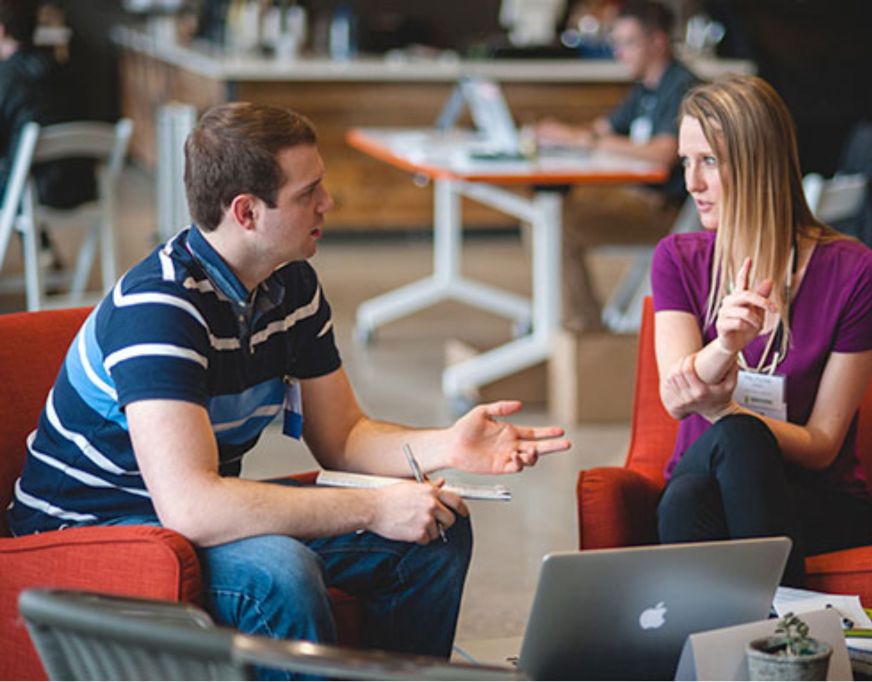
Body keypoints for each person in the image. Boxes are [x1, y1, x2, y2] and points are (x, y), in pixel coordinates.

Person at [7, 102, 571, 670]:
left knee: (437, 530)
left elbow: (343, 436)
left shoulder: (291, 284)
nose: (327, 203)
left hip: (179, 516)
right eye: (309, 193)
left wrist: (449, 444)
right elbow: (193, 506)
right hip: (87, 535)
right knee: (278, 572)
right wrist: (373, 509)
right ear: (247, 212)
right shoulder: (159, 308)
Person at [652, 75, 872, 586]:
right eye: (686, 163)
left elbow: (824, 443)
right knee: (694, 488)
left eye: (710, 162)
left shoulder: (858, 274)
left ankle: (718, 656)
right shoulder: (678, 259)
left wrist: (725, 410)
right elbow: (676, 399)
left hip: (815, 500)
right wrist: (725, 346)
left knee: (728, 448)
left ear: (758, 163)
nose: (692, 183)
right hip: (702, 481)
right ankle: (785, 642)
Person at [534, 0, 697, 331]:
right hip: (632, 198)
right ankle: (563, 320)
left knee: (555, 224)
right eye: (617, 43)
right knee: (544, 213)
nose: (619, 53)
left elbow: (662, 153)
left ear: (657, 41)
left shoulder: (682, 88)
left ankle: (584, 332)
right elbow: (603, 128)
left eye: (628, 43)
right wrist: (565, 135)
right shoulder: (644, 88)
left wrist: (587, 142)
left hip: (666, 211)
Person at [0, 0, 94, 268]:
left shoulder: (6, 78)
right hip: (83, 185)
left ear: (1, 30)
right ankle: (42, 251)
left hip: (31, 191)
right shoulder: (68, 72)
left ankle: (41, 251)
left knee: (13, 171)